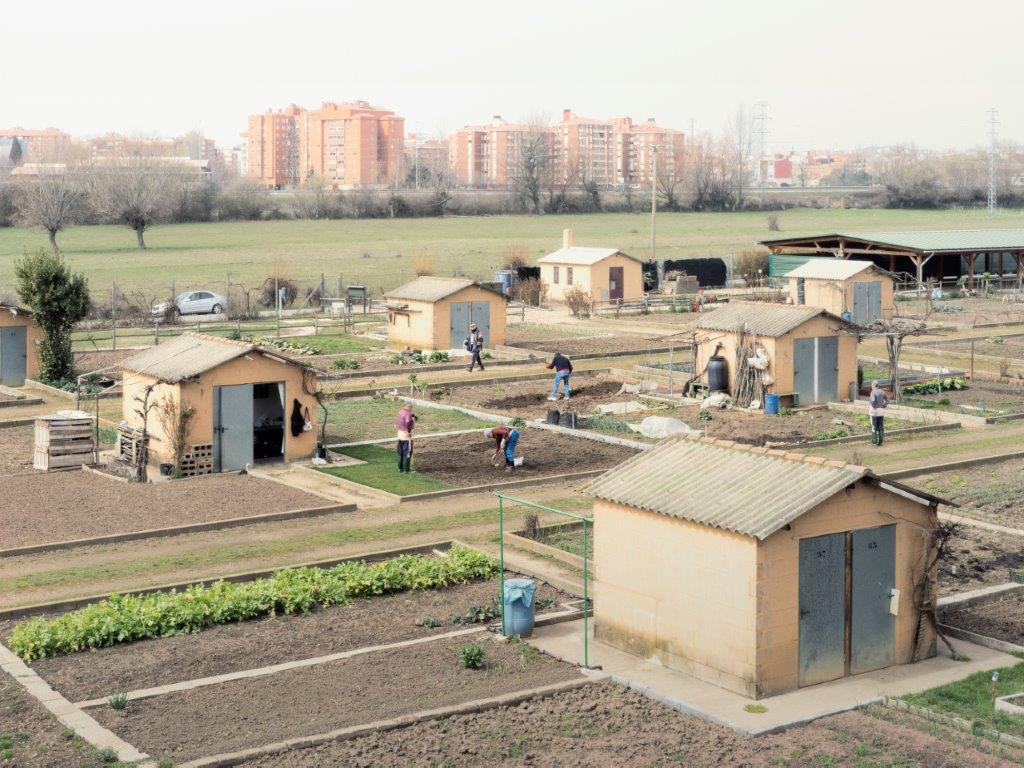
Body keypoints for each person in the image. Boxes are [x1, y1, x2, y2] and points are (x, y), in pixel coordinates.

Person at [396, 403, 418, 473]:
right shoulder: (408, 413)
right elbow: (408, 421)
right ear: (409, 407)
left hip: (400, 434)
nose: (411, 409)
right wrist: (409, 431)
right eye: (411, 407)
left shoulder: (400, 412)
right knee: (407, 453)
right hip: (406, 436)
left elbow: (404, 417)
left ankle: (400, 469)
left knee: (400, 452)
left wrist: (413, 415)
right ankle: (406, 470)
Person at [869, 380, 889, 446]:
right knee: (881, 426)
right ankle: (881, 442)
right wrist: (884, 405)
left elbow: (872, 401)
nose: (871, 386)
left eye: (872, 385)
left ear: (874, 385)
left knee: (874, 426)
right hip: (881, 411)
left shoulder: (873, 392)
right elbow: (887, 399)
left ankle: (874, 442)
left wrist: (874, 407)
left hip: (874, 412)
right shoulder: (882, 392)